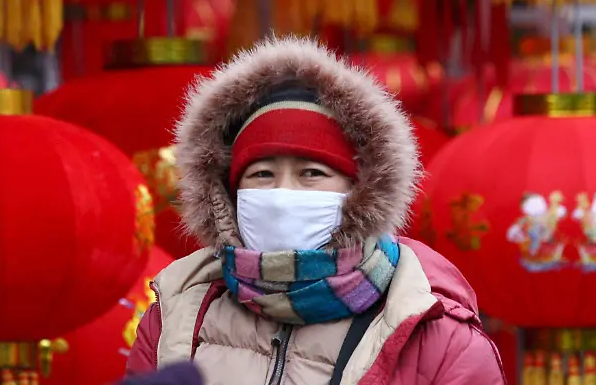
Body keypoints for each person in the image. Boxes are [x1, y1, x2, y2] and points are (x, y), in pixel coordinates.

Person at [127, 37, 505, 385]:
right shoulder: (176, 317)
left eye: (312, 173)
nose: (282, 193)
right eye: (262, 173)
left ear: (361, 188)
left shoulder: (436, 334)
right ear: (227, 193)